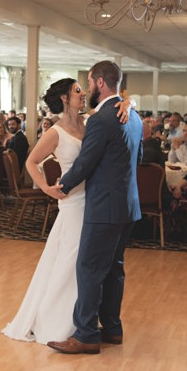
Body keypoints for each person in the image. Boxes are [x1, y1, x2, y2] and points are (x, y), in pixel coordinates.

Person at [3, 77, 131, 345]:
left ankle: (84, 320)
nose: (83, 94)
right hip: (73, 202)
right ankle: (60, 324)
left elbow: (115, 107)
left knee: (91, 264)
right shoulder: (55, 132)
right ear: (64, 98)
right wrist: (46, 188)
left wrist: (129, 103)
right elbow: (31, 162)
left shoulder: (93, 121)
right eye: (77, 91)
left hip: (96, 199)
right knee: (74, 261)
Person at [46, 61, 142, 355]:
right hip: (128, 205)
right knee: (114, 269)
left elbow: (85, 163)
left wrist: (62, 185)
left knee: (88, 268)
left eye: (88, 82)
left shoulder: (102, 120)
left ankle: (86, 334)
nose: (86, 88)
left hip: (103, 207)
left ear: (100, 82)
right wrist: (130, 101)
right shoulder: (133, 115)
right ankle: (112, 328)